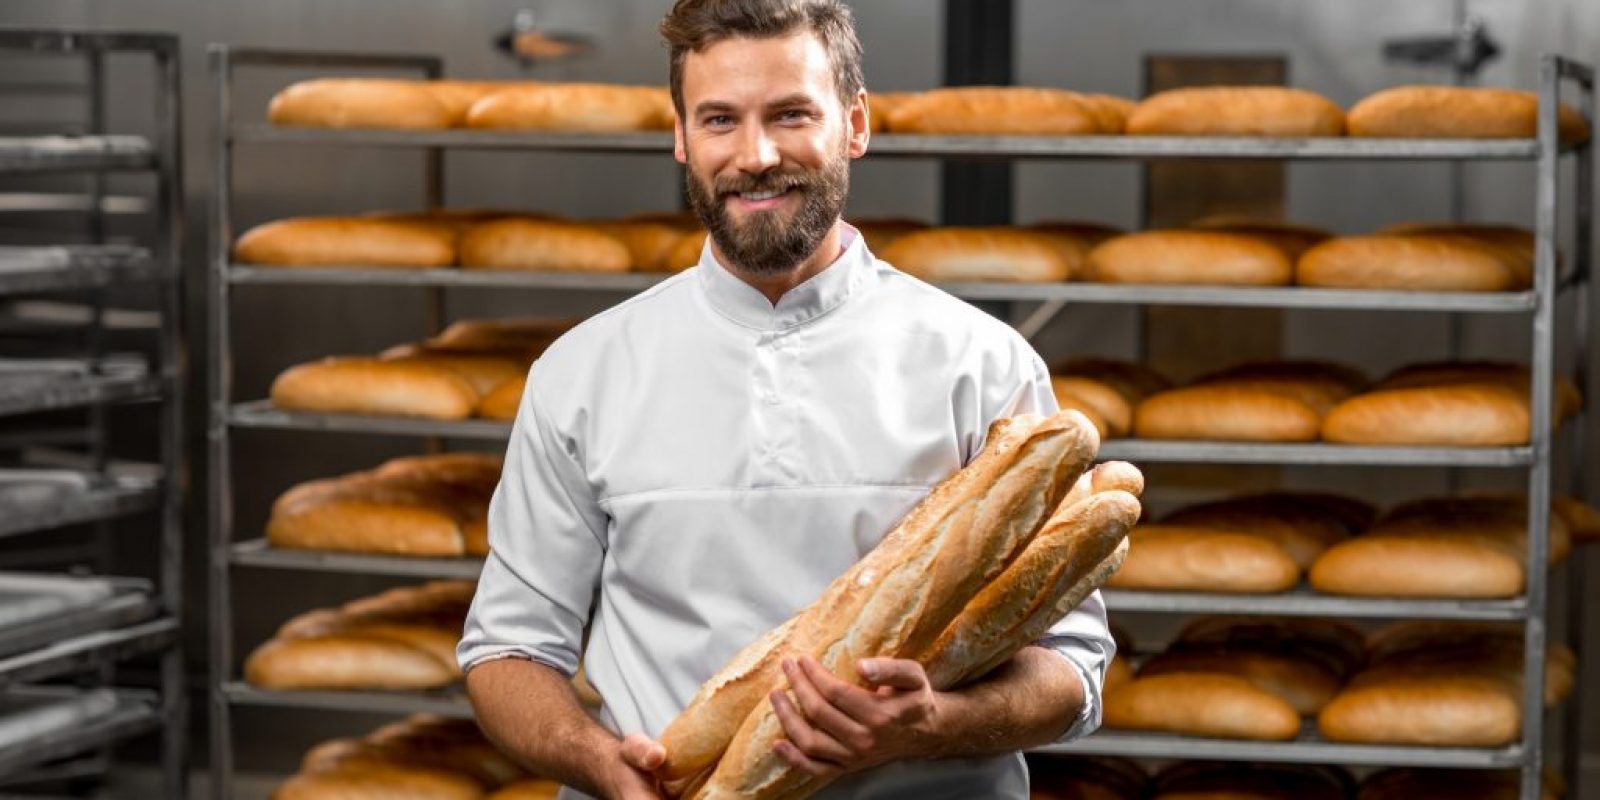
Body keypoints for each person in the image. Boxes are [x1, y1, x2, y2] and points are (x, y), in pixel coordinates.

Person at [458, 1, 1114, 798]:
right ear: (682, 138)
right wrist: (595, 760)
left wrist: (937, 723)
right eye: (720, 120)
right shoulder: (584, 373)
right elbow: (507, 652)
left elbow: (1073, 670)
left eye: (791, 114)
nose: (756, 154)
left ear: (856, 125)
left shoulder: (980, 363)